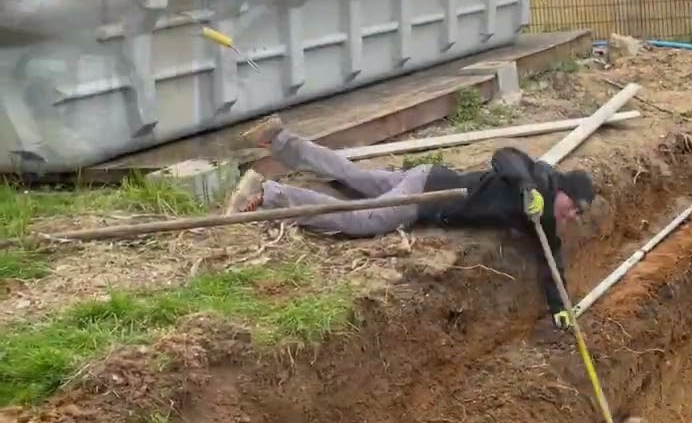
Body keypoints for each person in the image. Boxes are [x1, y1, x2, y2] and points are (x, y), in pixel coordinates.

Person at [224, 115, 596, 329]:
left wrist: (561, 307)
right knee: (364, 220)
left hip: (428, 177)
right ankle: (270, 196)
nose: (573, 215)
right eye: (574, 206)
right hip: (427, 195)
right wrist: (528, 186)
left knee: (355, 178)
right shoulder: (539, 180)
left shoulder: (544, 221)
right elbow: (505, 155)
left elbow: (553, 262)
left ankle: (280, 140)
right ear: (562, 189)